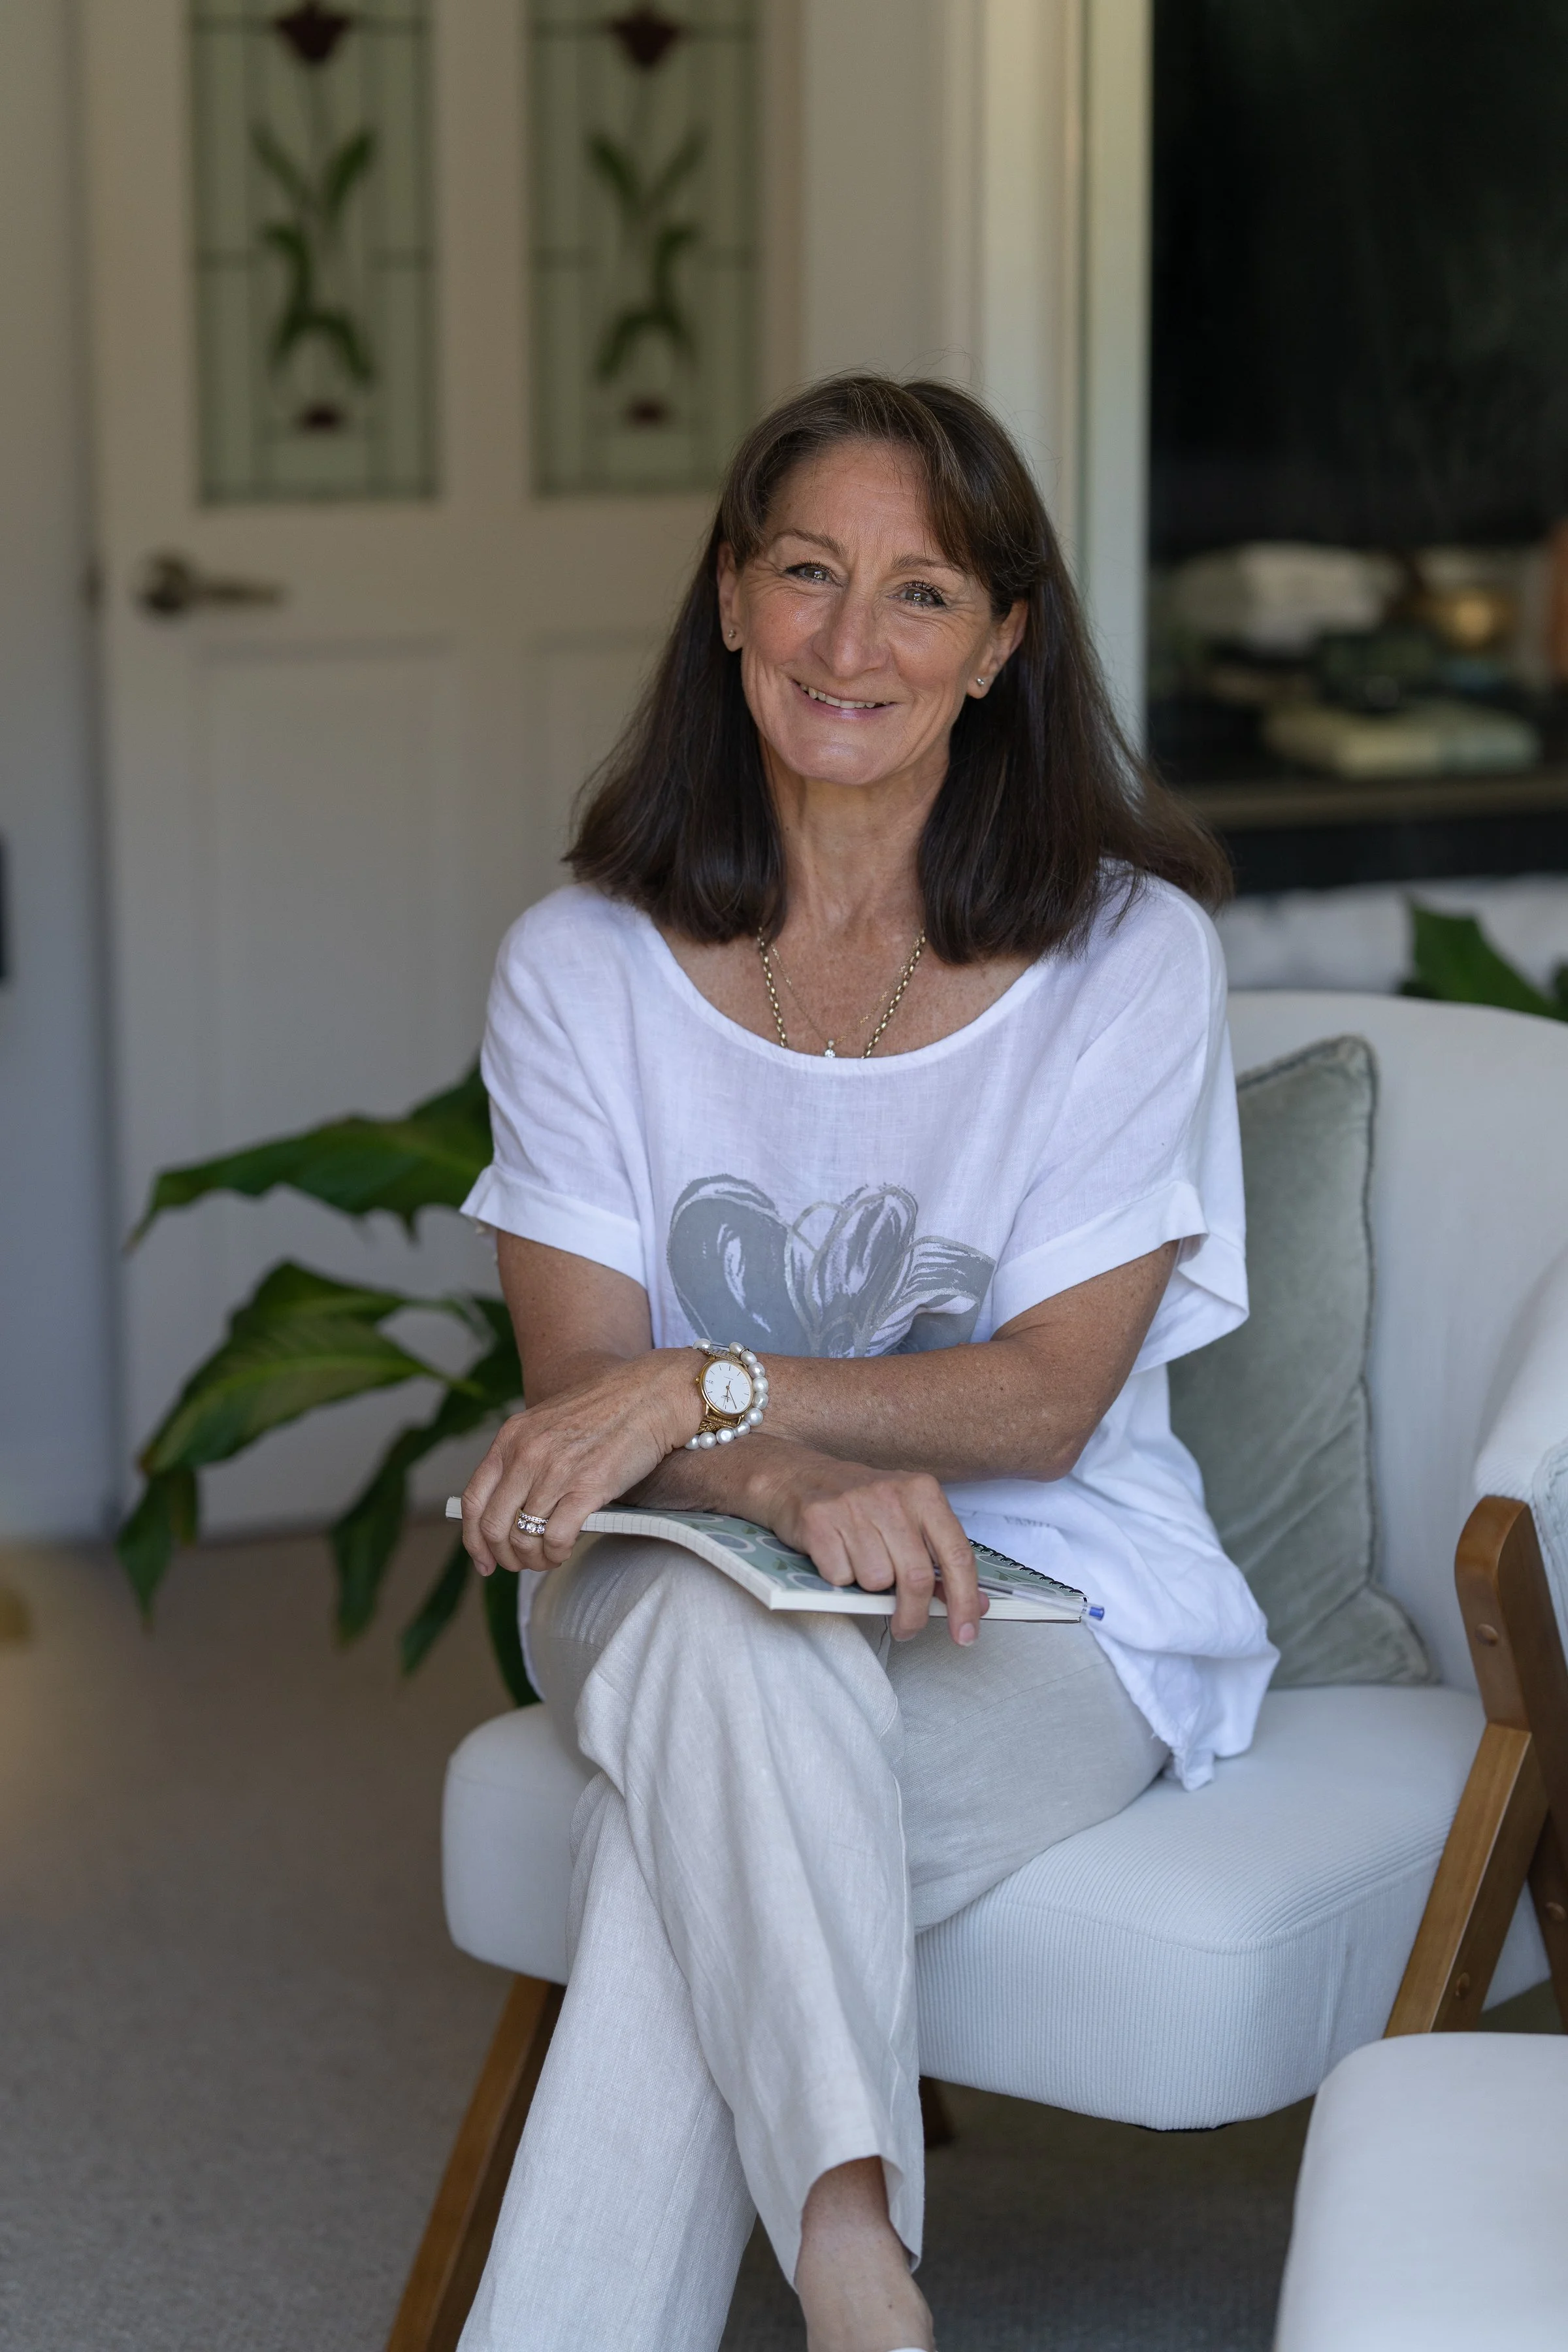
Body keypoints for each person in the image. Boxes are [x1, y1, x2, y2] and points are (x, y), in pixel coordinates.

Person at [454, 374, 1277, 2352]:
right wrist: (768, 1468)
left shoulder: (1123, 956)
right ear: (729, 598)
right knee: (733, 1641)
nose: (850, 641)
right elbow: (589, 1389)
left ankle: (839, 2282)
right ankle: (863, 2281)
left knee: (680, 1863)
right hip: (668, 1560)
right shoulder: (579, 966)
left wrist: (706, 1386)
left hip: (1039, 1594)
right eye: (808, 573)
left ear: (1001, 647)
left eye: (921, 596)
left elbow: (1046, 1398)